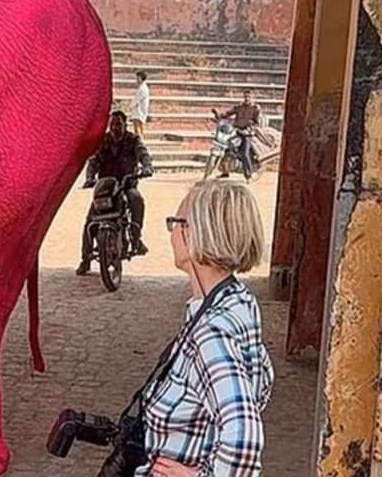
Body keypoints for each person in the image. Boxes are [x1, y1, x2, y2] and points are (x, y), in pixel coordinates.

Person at [138, 180, 274, 476]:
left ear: (193, 232)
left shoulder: (211, 331)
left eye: (175, 222)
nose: (172, 233)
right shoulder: (237, 300)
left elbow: (243, 439)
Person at [76, 110, 153, 275]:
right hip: (106, 187)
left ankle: (136, 237)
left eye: (118, 124)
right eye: (112, 124)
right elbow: (94, 160)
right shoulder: (103, 141)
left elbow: (143, 154)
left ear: (125, 125)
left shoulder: (133, 140)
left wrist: (146, 167)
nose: (115, 127)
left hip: (126, 184)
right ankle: (86, 259)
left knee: (136, 199)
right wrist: (90, 177)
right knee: (90, 221)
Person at [214, 91, 262, 180]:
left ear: (252, 98)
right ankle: (225, 171)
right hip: (237, 131)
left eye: (249, 97)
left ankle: (249, 174)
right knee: (226, 149)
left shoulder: (255, 108)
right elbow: (228, 113)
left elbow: (256, 123)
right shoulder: (239, 107)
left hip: (247, 133)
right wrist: (219, 115)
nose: (247, 98)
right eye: (245, 97)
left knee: (244, 153)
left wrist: (247, 130)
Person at [132, 70, 150, 139]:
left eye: (137, 78)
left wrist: (130, 106)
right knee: (138, 130)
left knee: (138, 130)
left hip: (139, 112)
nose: (136, 80)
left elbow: (136, 100)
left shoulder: (142, 89)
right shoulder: (142, 87)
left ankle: (140, 144)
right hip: (139, 112)